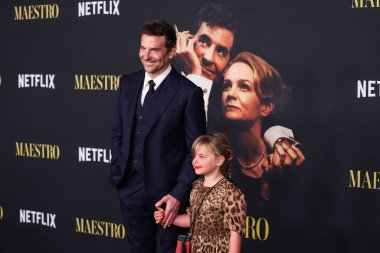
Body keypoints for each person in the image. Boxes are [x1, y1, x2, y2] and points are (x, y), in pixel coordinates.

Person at [109, 20, 207, 253]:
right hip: (130, 188)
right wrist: (120, 168)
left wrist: (177, 195)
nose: (146, 55)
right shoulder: (127, 84)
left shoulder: (188, 93)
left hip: (167, 197)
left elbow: (196, 152)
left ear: (171, 52)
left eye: (154, 49)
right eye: (143, 48)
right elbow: (118, 133)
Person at [221, 51, 305, 202]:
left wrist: (268, 188)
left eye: (244, 87)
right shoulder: (218, 158)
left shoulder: (283, 160)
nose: (230, 94)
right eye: (227, 86)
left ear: (266, 107)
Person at [154, 133, 247, 253]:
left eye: (202, 156)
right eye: (194, 156)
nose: (194, 161)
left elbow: (235, 233)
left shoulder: (231, 192)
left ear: (219, 160)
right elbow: (193, 219)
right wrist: (168, 218)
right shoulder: (196, 186)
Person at [173, 2, 236, 117]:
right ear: (188, 42)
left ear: (228, 67)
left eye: (221, 51)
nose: (208, 58)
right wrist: (195, 76)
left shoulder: (229, 112)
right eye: (204, 42)